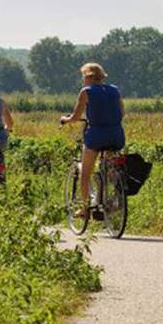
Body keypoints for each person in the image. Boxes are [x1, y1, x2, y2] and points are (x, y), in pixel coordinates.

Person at [61, 63, 125, 213]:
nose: (83, 80)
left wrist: (65, 119)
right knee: (109, 167)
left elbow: (75, 117)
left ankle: (85, 209)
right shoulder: (115, 90)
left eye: (83, 76)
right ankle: (116, 194)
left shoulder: (86, 91)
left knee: (85, 174)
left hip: (96, 136)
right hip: (116, 135)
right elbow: (122, 113)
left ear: (89, 76)